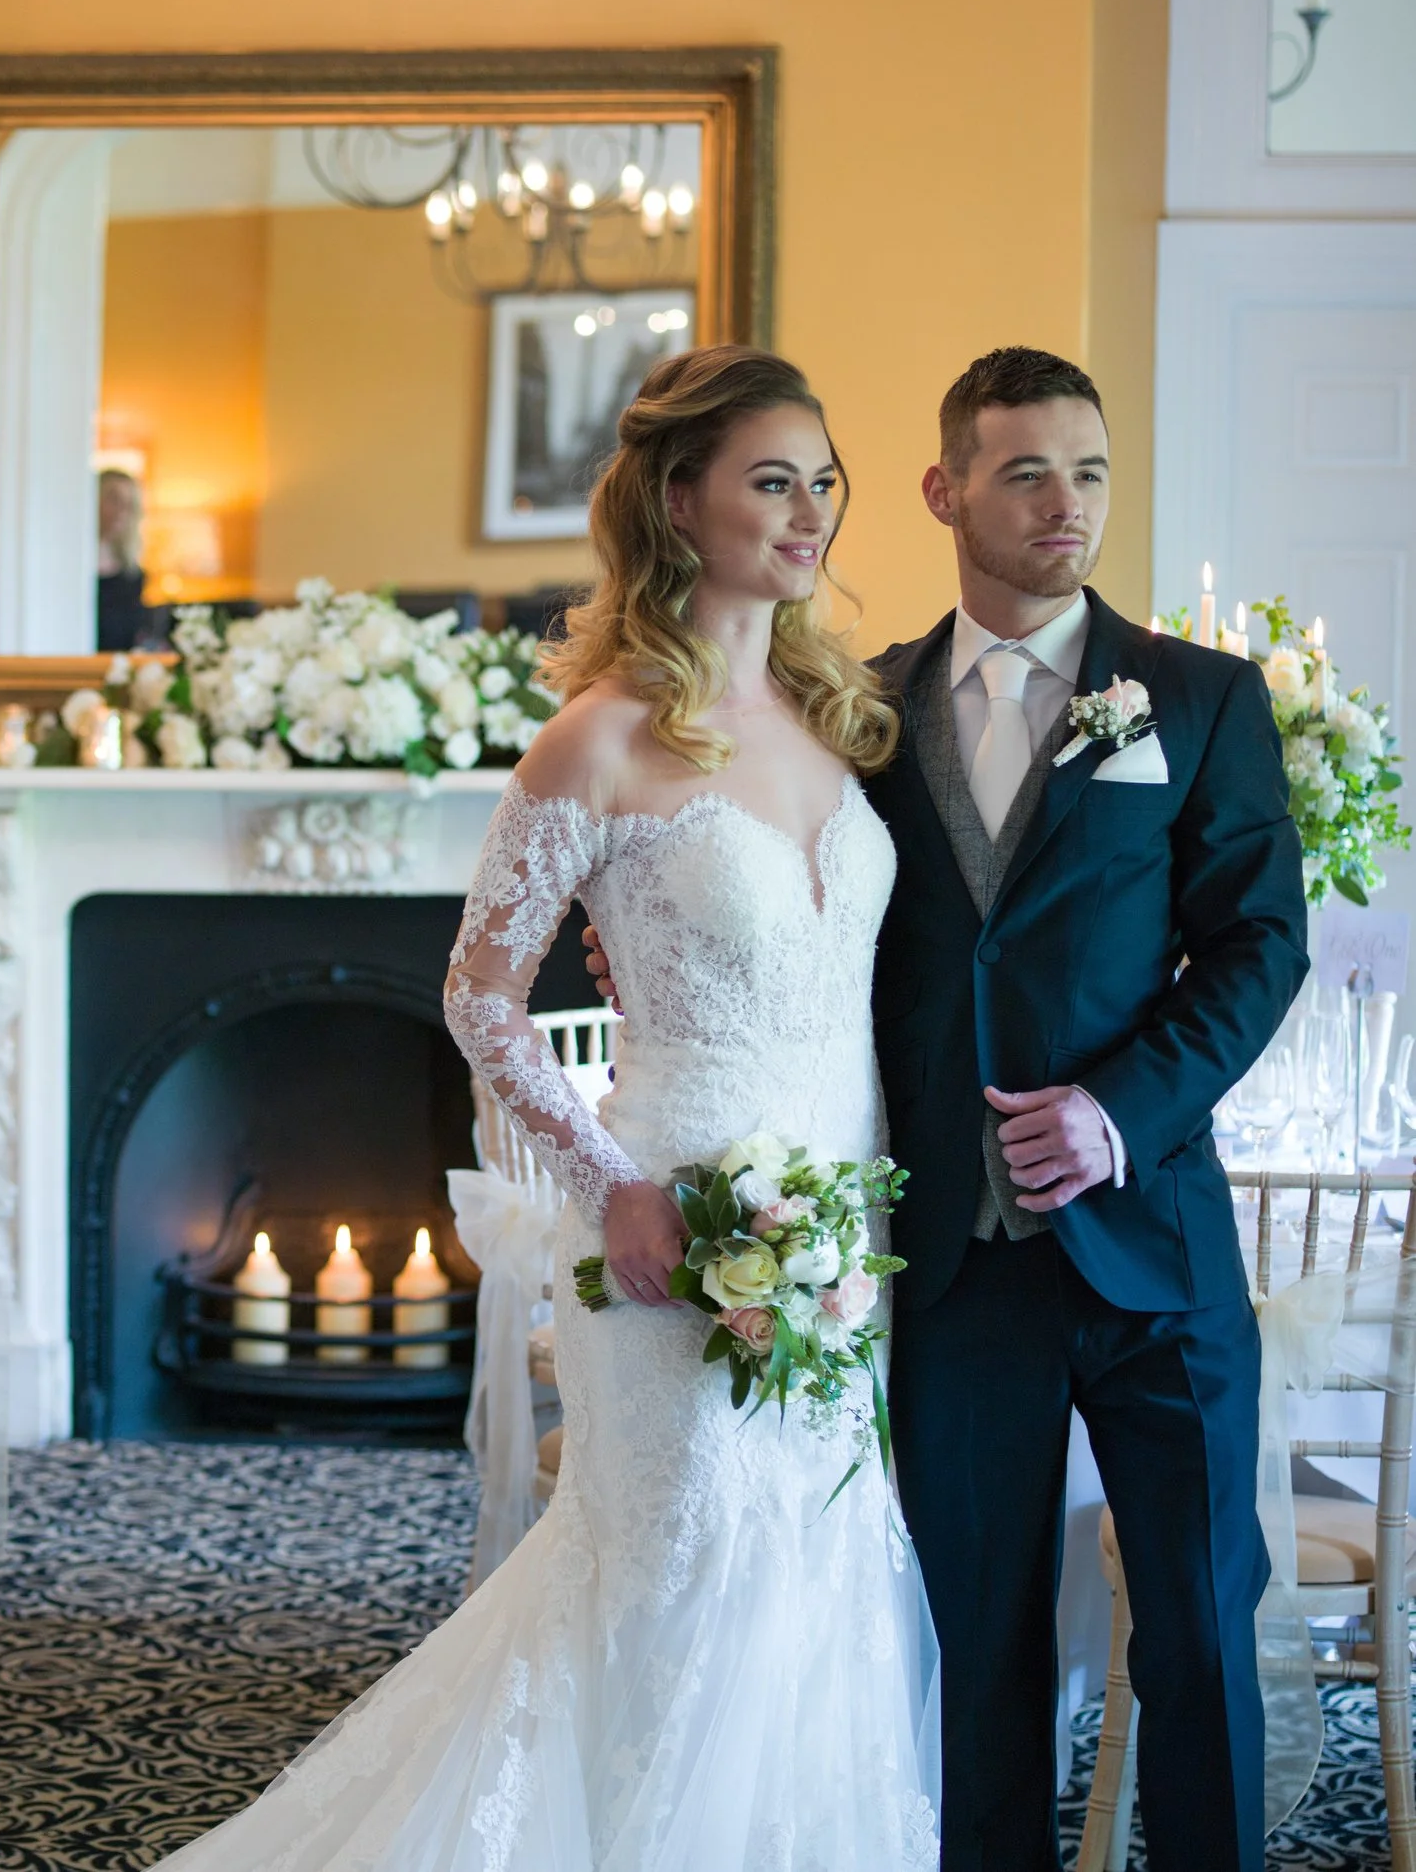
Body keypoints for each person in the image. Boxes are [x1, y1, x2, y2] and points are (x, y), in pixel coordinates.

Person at [148, 346, 941, 1870]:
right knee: (680, 1569)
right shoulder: (602, 736)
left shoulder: (840, 718)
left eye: (823, 478)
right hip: (670, 1232)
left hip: (847, 1233)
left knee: (815, 1562)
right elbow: (477, 994)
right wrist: (613, 1187)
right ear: (676, 497)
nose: (812, 510)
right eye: (773, 478)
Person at [588, 348, 1304, 1871]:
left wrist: (1120, 1107)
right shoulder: (853, 710)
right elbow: (784, 909)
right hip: (949, 1269)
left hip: (1155, 1255)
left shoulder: (1197, 696)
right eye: (1029, 472)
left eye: (1091, 471)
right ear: (944, 491)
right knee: (971, 1647)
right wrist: (637, 922)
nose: (1069, 505)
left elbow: (1260, 946)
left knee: (1194, 1633)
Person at [95, 468, 164, 653]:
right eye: (113, 499)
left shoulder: (133, 576)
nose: (121, 511)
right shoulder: (72, 568)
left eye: (128, 504)